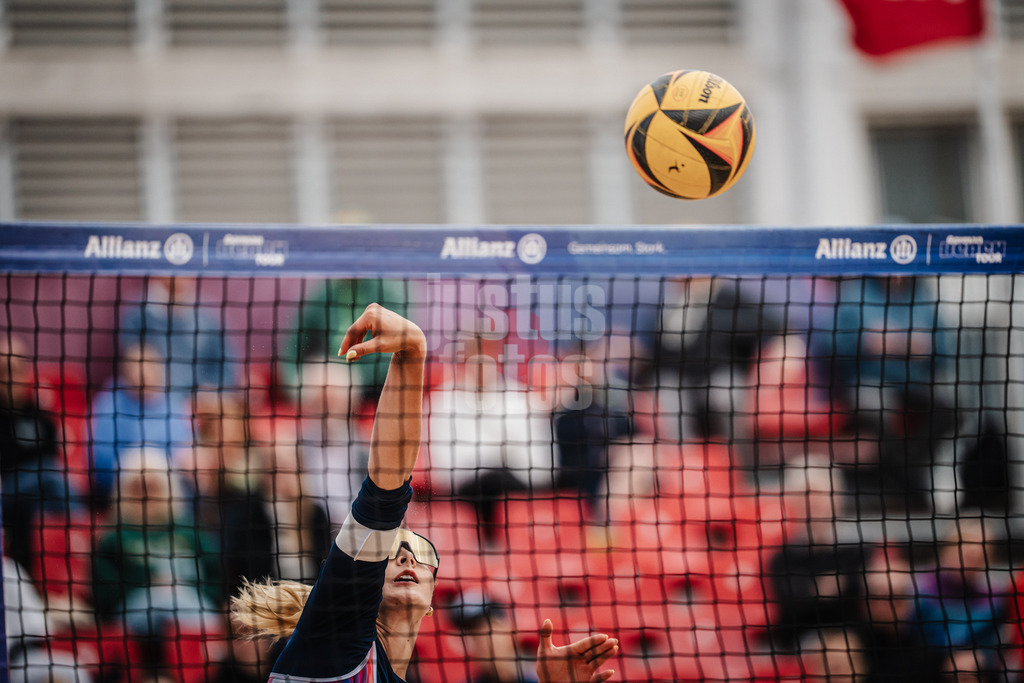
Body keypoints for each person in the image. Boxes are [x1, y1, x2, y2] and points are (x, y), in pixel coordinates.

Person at [233, 304, 619, 683]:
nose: (405, 556)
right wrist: (411, 353)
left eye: (420, 557)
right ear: (367, 582)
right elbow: (383, 492)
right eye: (395, 552)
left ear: (434, 598)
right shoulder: (335, 642)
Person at [88, 340, 193, 505]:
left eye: (149, 366)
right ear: (125, 371)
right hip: (120, 485)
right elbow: (101, 456)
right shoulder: (110, 402)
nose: (142, 373)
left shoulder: (172, 404)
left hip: (165, 486)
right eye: (136, 366)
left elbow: (182, 453)